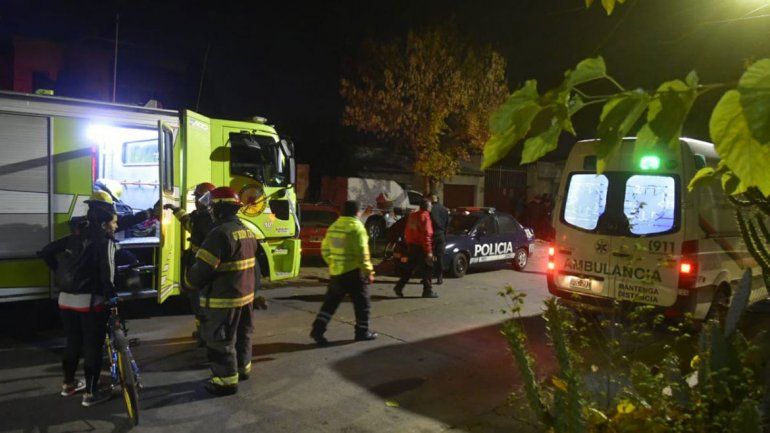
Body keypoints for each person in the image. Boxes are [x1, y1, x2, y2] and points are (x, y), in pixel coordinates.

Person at [38, 203, 119, 407]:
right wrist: (112, 297)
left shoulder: (73, 237)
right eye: (114, 222)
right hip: (90, 302)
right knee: (93, 346)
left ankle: (68, 384)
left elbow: (45, 251)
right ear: (104, 223)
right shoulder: (105, 241)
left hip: (65, 300)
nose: (116, 226)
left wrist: (60, 272)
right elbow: (107, 273)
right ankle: (91, 393)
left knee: (73, 342)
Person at [188, 186, 261, 396]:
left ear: (219, 209)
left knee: (221, 340)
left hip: (224, 300)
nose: (209, 210)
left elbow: (201, 270)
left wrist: (189, 281)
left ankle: (225, 382)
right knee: (243, 334)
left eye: (212, 207)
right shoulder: (247, 231)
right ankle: (242, 370)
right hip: (245, 297)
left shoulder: (219, 235)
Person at [310, 200, 378, 346]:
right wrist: (369, 271)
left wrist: (333, 263)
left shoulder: (334, 226)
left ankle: (317, 330)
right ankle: (362, 332)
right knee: (362, 304)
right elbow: (362, 253)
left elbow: (325, 249)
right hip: (354, 273)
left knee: (330, 304)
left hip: (337, 273)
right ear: (357, 212)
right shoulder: (356, 228)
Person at [164, 182, 217, 346]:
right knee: (197, 301)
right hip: (199, 263)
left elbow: (194, 228)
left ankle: (206, 337)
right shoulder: (204, 215)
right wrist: (175, 210)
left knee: (200, 301)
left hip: (202, 265)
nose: (196, 200)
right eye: (196, 197)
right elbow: (189, 224)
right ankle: (203, 333)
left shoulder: (208, 218)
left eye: (199, 197)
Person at [393, 198, 438, 298]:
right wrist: (429, 251)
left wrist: (409, 243)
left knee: (410, 268)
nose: (431, 207)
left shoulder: (413, 216)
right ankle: (427, 291)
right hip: (421, 247)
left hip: (412, 246)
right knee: (428, 268)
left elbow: (408, 231)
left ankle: (399, 287)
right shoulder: (425, 217)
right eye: (430, 206)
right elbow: (426, 235)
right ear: (427, 207)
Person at [429, 193, 449, 285]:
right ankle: (440, 277)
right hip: (441, 235)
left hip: (432, 235)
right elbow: (447, 223)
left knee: (430, 256)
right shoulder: (444, 209)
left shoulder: (430, 209)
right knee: (439, 257)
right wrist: (444, 235)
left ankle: (428, 277)